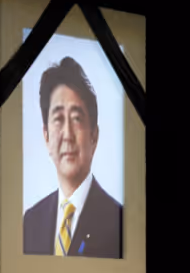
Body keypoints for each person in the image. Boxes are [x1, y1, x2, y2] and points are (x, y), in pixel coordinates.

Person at [23, 56, 123, 259]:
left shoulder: (120, 223)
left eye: (77, 119)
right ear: (46, 136)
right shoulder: (30, 222)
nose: (68, 134)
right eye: (58, 119)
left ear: (94, 136)